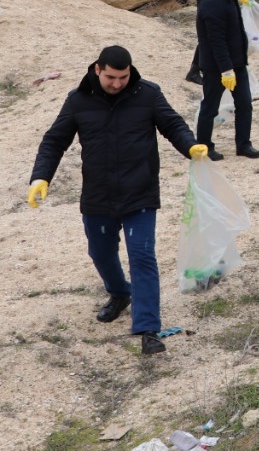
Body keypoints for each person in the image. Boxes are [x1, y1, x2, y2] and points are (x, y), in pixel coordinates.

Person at [28, 45, 205, 355]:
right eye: (111, 77)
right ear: (98, 69)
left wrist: (190, 147)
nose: (117, 83)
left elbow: (173, 125)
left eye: (123, 77)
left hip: (140, 193)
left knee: (142, 256)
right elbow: (54, 141)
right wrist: (41, 177)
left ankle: (148, 329)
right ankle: (120, 294)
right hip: (98, 195)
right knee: (100, 252)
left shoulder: (147, 94)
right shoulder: (78, 100)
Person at [195, 0, 259, 160]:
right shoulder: (212, 3)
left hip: (237, 63)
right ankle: (205, 146)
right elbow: (216, 42)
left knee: (244, 104)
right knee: (210, 107)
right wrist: (226, 69)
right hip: (218, 67)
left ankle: (243, 144)